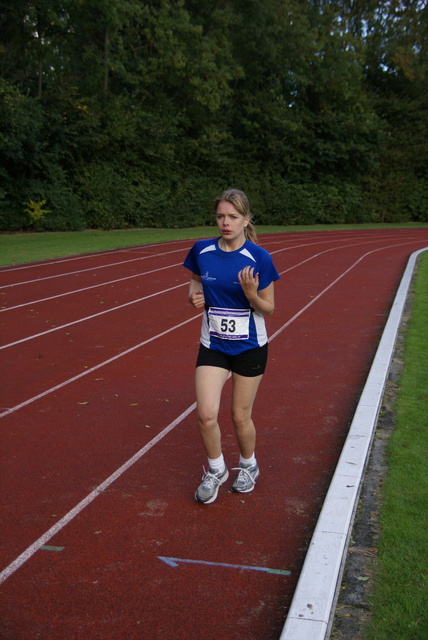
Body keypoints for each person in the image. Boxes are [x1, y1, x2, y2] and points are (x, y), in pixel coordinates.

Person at [183, 188, 280, 504]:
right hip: (213, 344)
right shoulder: (202, 250)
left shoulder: (259, 258)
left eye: (233, 217)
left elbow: (269, 309)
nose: (226, 222)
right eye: (221, 216)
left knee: (239, 416)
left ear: (245, 219)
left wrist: (252, 295)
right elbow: (196, 280)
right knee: (206, 414)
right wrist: (193, 295)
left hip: (250, 346)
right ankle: (216, 470)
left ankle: (249, 465)